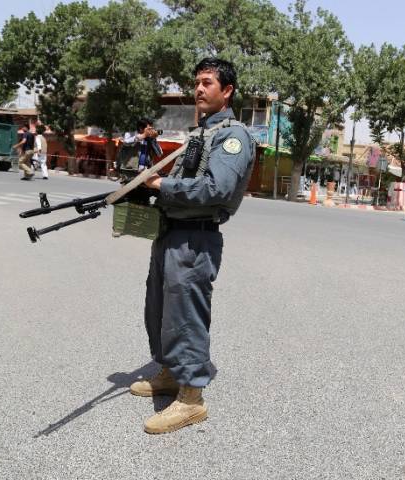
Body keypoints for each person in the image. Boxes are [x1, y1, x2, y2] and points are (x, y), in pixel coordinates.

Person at [130, 58, 255, 434]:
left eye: (207, 83)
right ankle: (170, 371)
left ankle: (191, 399)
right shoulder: (200, 134)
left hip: (196, 237)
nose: (199, 89)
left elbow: (217, 189)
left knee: (187, 314)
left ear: (227, 91)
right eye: (196, 83)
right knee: (162, 308)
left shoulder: (233, 137)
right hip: (172, 231)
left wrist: (162, 187)